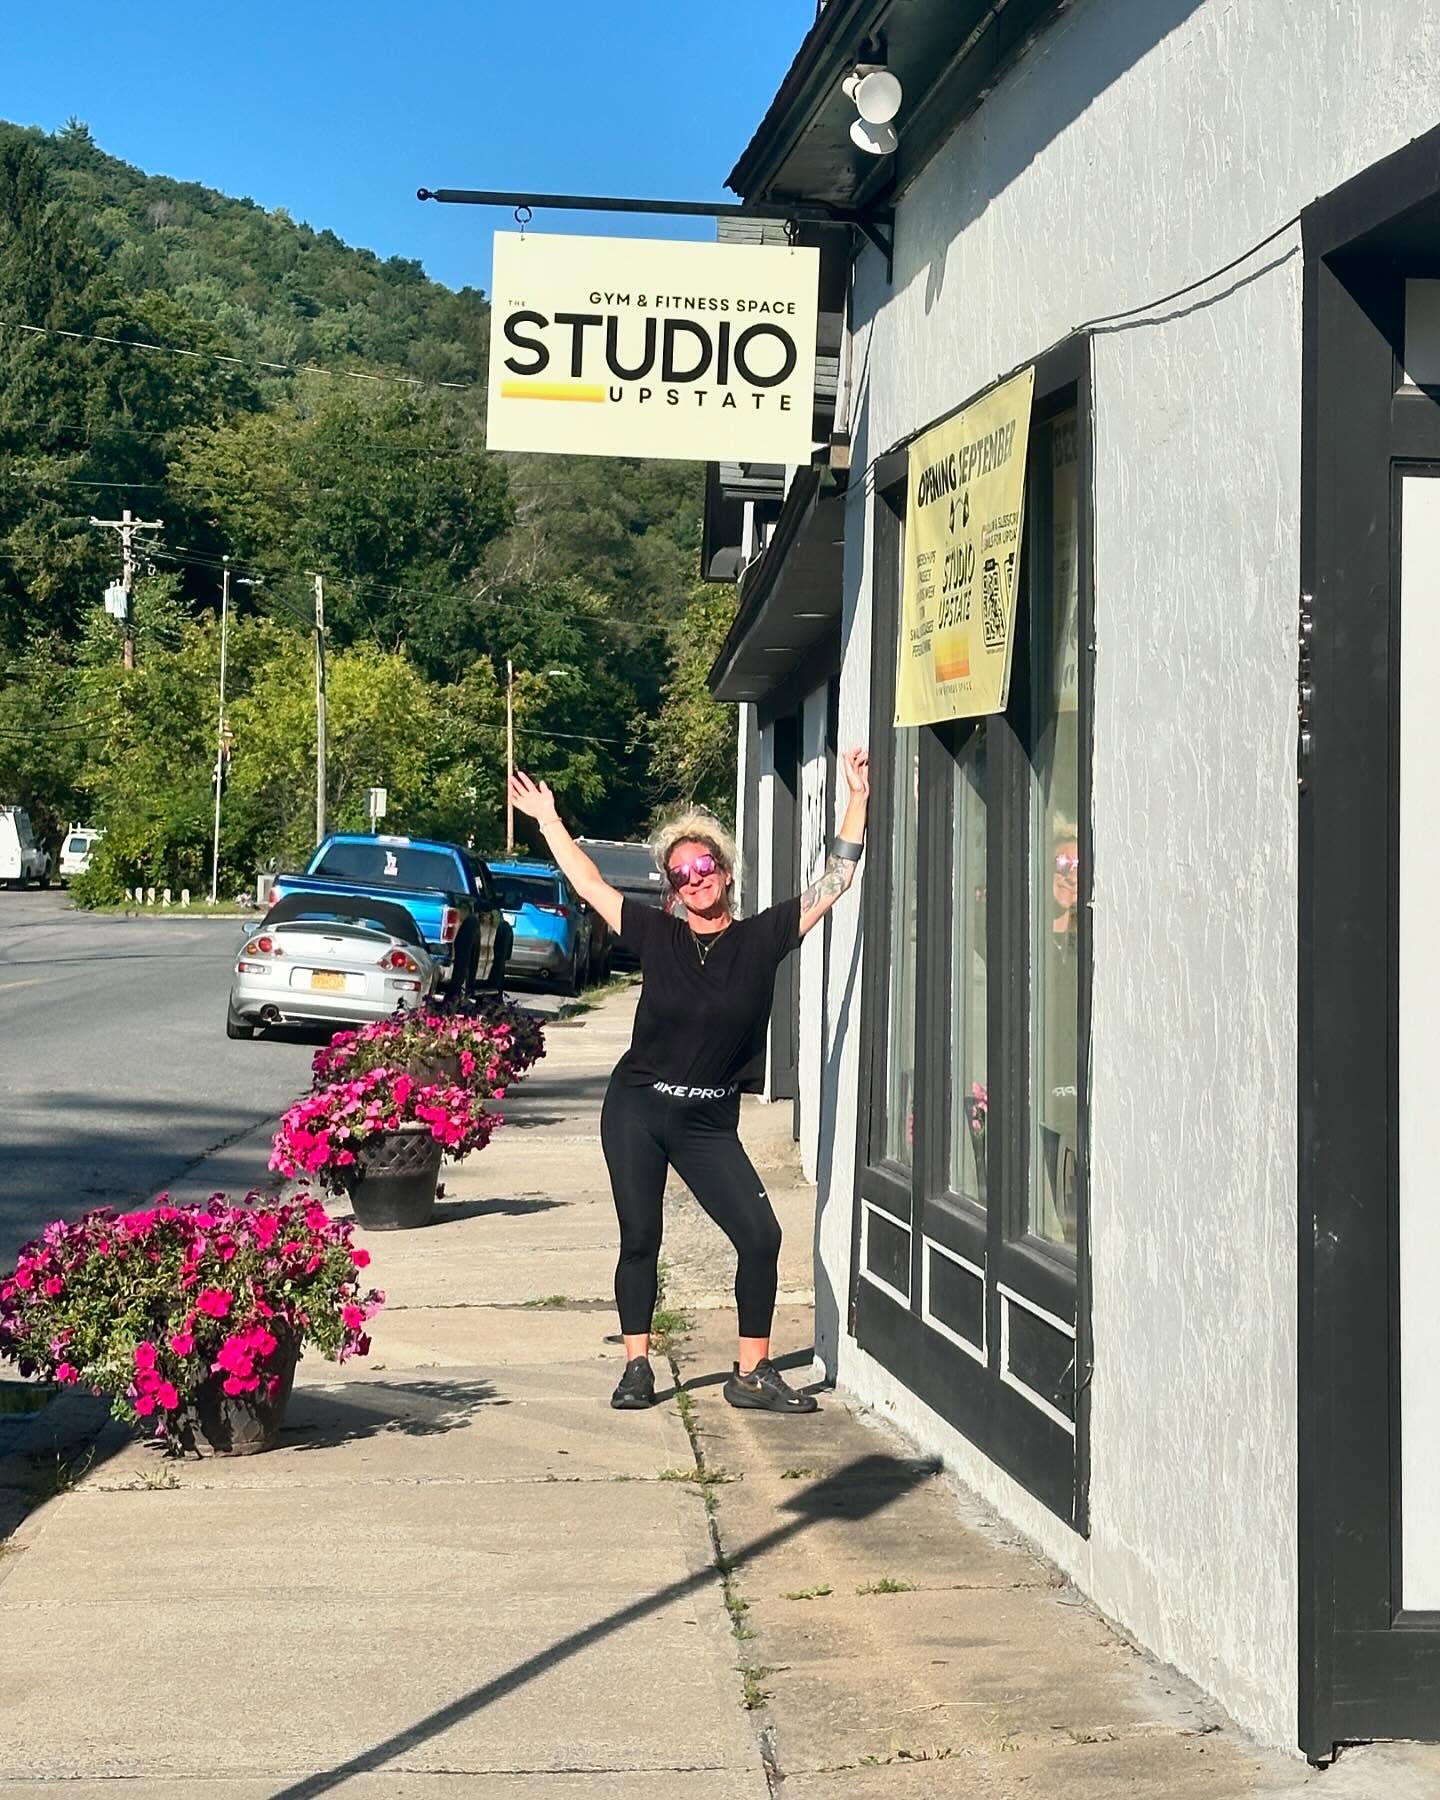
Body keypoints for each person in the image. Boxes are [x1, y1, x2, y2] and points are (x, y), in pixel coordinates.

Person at [508, 751, 871, 1415]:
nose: (694, 880)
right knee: (641, 1236)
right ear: (671, 889)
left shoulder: (764, 937)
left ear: (725, 874)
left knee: (760, 1236)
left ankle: (752, 1374)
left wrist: (858, 796)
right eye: (681, 874)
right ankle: (637, 1364)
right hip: (639, 1110)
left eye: (704, 867)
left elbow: (837, 878)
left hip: (708, 1121)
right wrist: (550, 821)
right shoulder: (657, 935)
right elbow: (588, 883)